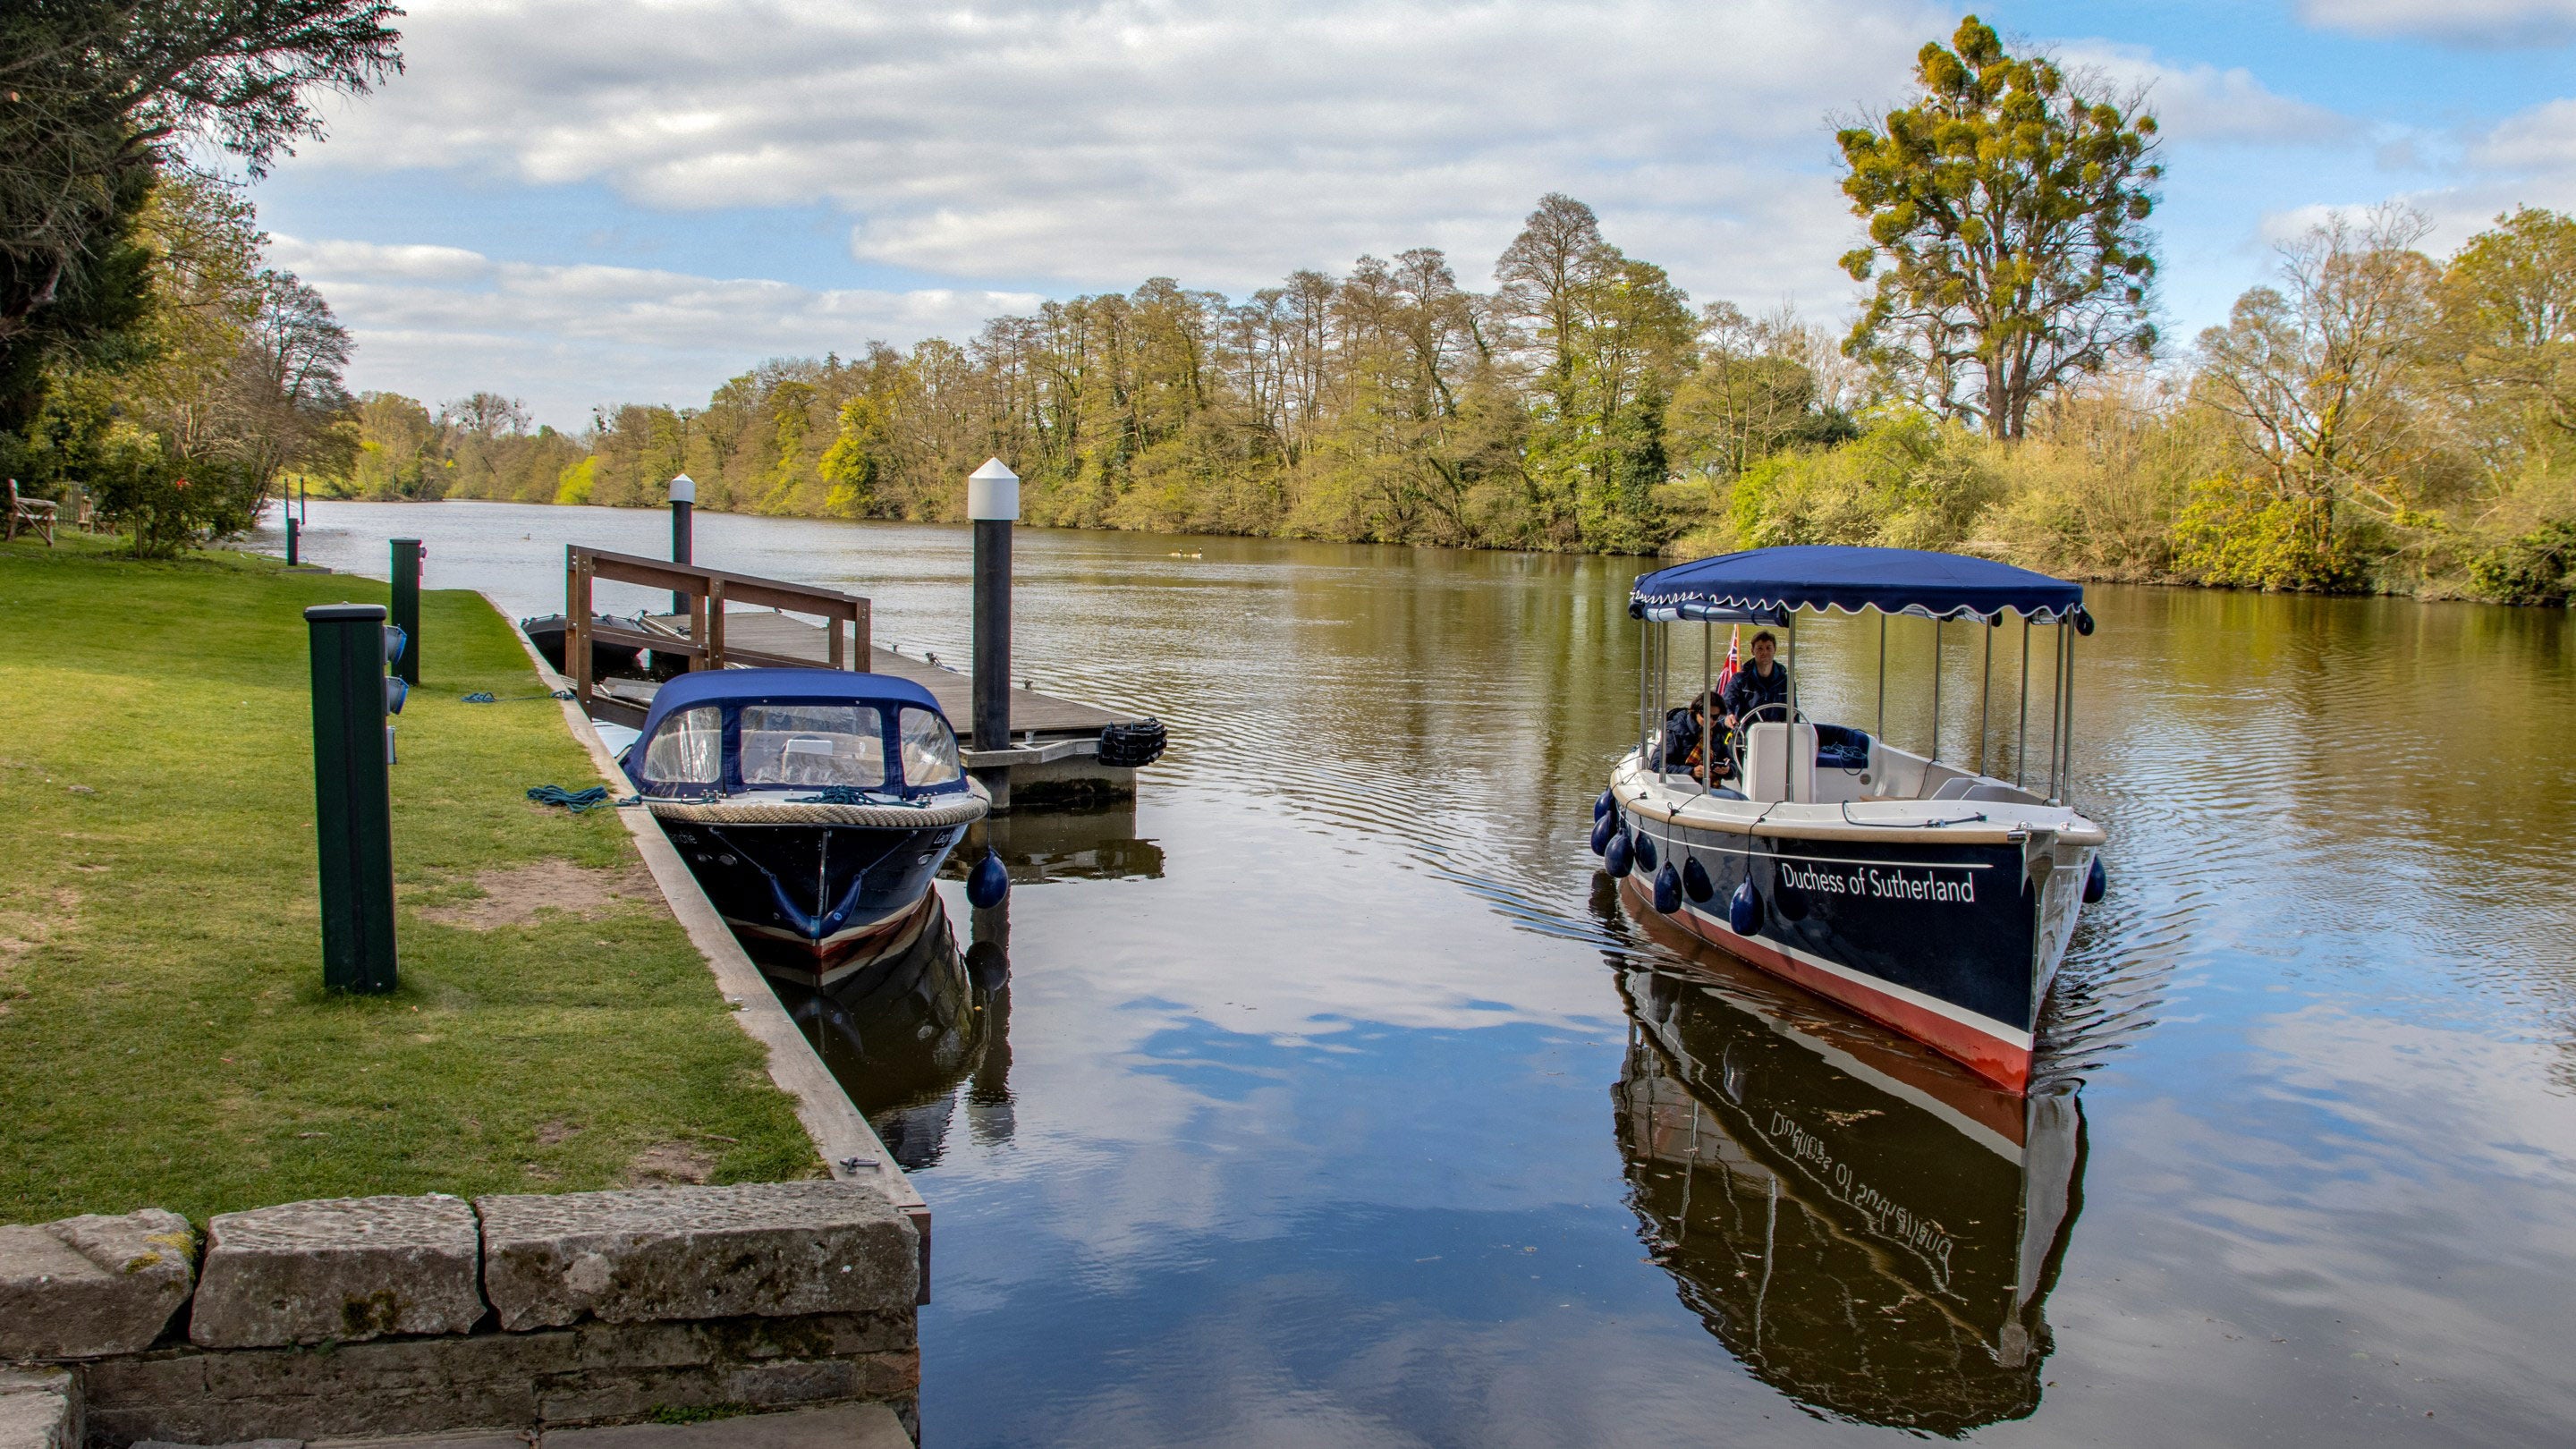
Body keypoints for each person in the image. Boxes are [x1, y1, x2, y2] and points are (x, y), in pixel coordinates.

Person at [1721, 630, 1791, 738]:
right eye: (1760, 648)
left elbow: (1793, 714)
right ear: (1752, 651)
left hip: (1777, 735)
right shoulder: (1739, 679)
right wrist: (1729, 715)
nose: (1764, 652)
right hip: (1746, 736)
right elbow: (1727, 703)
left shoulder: (1787, 682)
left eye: (1768, 648)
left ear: (1775, 650)